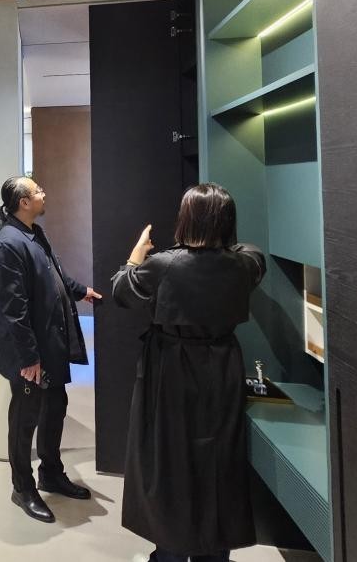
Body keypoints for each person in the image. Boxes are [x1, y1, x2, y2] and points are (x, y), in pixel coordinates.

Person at [111, 183, 266, 562]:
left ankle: (170, 550)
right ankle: (214, 550)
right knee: (219, 458)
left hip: (172, 370)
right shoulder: (244, 263)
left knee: (170, 458)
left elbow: (121, 291)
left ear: (186, 218)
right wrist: (219, 243)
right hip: (223, 369)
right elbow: (252, 254)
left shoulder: (164, 265)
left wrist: (135, 255)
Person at [0, 176, 102, 523]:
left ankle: (51, 473)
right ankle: (22, 488)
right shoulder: (8, 244)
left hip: (49, 345)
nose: (43, 193)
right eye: (37, 191)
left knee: (55, 408)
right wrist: (28, 358)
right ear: (24, 202)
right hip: (30, 354)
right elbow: (13, 309)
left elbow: (54, 274)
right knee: (25, 419)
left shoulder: (34, 232)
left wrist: (80, 291)